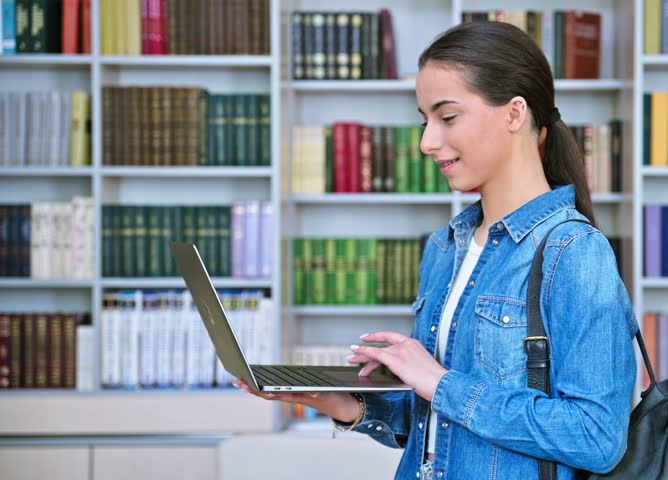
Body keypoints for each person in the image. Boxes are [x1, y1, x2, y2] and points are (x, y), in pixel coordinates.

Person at [235, 20, 637, 479]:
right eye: (425, 120)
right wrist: (346, 404)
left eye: (447, 117)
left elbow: (597, 437)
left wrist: (440, 382)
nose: (427, 142)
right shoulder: (445, 247)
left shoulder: (575, 252)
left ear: (514, 113)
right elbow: (440, 428)